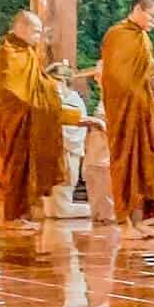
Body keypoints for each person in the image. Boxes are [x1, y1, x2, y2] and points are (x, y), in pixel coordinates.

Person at [99, 0, 154, 239]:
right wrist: (138, 94)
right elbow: (116, 78)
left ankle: (142, 219)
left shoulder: (142, 38)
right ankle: (124, 223)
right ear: (138, 9)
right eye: (152, 16)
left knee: (149, 162)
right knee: (127, 164)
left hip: (143, 110)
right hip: (124, 112)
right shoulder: (117, 35)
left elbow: (145, 73)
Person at [0, 9, 66, 229]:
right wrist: (46, 92)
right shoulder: (9, 51)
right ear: (21, 29)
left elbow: (36, 83)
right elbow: (11, 88)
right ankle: (14, 216)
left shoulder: (26, 52)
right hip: (16, 118)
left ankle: (22, 214)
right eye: (35, 32)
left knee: (27, 168)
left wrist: (50, 88)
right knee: (17, 167)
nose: (38, 37)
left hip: (28, 118)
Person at [46, 62, 89, 220]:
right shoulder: (54, 101)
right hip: (51, 155)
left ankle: (100, 211)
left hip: (66, 154)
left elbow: (71, 132)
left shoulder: (72, 102)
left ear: (62, 81)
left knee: (60, 210)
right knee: (50, 210)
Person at [81, 110, 115, 224]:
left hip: (104, 162)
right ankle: (96, 215)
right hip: (91, 162)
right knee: (94, 192)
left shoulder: (105, 125)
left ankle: (108, 217)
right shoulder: (92, 132)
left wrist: (99, 122)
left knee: (105, 192)